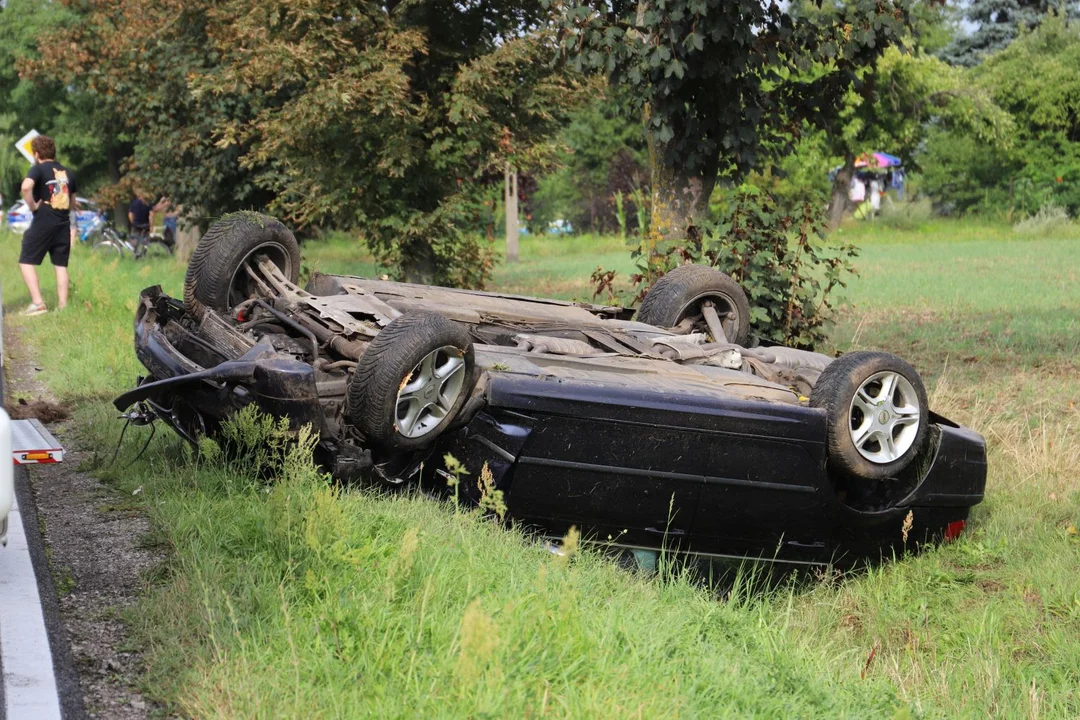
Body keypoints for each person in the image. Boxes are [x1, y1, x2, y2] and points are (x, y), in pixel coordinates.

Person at [18, 135, 77, 316]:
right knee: (60, 265)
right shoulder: (68, 172)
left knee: (26, 260)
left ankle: (38, 303)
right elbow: (72, 202)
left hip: (44, 219)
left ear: (36, 154)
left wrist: (33, 205)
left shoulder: (37, 169)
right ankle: (62, 307)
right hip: (63, 221)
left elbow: (26, 187)